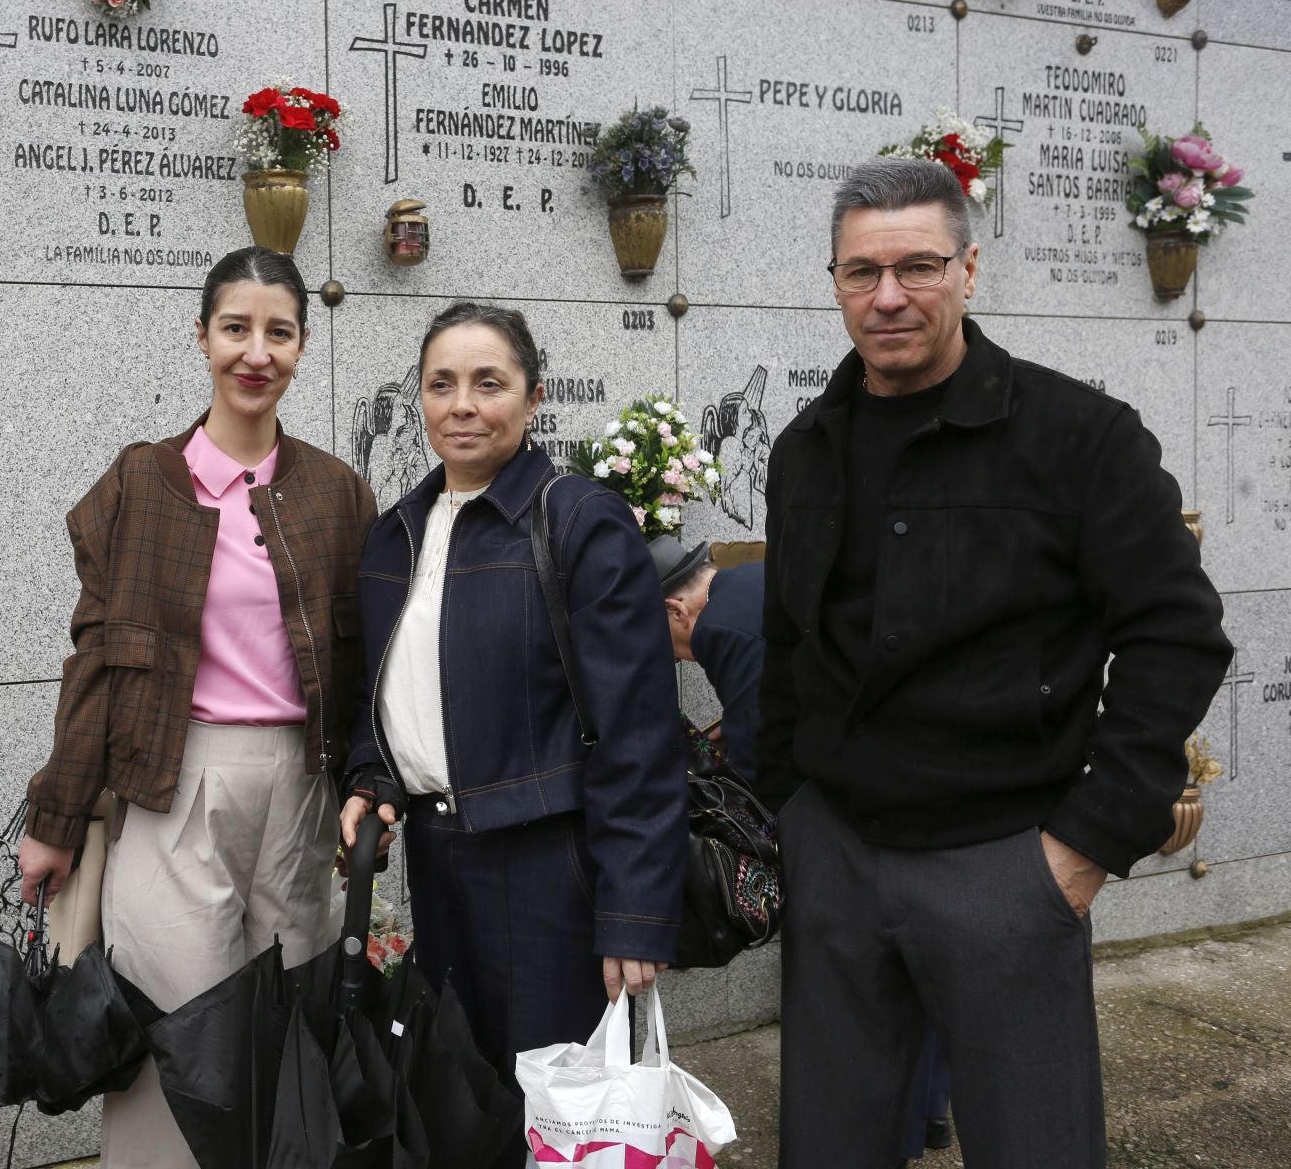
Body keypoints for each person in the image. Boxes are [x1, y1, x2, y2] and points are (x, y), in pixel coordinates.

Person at [758, 157, 1231, 1167]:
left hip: (1006, 861)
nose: (888, 295)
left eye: (918, 265)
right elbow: (793, 640)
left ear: (971, 269)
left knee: (1036, 1145)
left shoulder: (1080, 438)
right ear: (834, 280)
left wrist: (1088, 840)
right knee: (828, 1146)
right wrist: (789, 812)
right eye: (861, 271)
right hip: (836, 855)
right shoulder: (804, 448)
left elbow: (1176, 631)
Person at [17, 246, 376, 1169]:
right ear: (202, 336)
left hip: (299, 787)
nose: (256, 352)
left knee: (285, 1027)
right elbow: (99, 659)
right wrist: (55, 819)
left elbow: (366, 661)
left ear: (301, 346)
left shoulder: (338, 492)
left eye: (279, 331)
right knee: (176, 1028)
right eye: (236, 328)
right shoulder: (142, 483)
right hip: (172, 780)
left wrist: (368, 787)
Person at [338, 302, 689, 1166]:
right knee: (465, 1109)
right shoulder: (397, 534)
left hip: (549, 875)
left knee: (560, 1119)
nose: (463, 404)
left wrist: (635, 915)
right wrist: (371, 776)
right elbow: (387, 695)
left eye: (488, 384)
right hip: (439, 860)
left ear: (532, 398)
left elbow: (640, 731)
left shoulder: (576, 520)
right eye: (441, 384)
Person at [654, 539, 956, 1158]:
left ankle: (882, 1135)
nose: (683, 657)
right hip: (918, 787)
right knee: (920, 969)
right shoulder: (757, 583)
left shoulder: (721, 629)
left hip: (847, 815)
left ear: (674, 613)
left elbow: (763, 757)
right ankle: (927, 1112)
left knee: (858, 987)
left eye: (670, 647)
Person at [652, 538, 762, 779]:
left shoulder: (715, 629)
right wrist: (737, 722)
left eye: (666, 647)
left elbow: (758, 754)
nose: (676, 659)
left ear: (676, 611)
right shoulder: (753, 573)